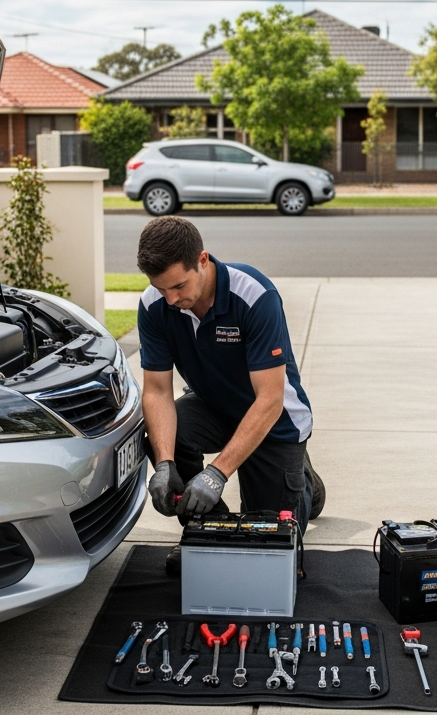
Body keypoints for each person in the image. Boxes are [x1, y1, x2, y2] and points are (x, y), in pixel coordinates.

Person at [135, 216, 325, 574]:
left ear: (202, 260)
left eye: (178, 286)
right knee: (164, 437)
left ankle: (304, 483)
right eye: (162, 290)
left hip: (274, 420)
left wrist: (216, 474)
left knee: (269, 549)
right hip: (213, 405)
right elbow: (157, 391)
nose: (173, 300)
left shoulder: (254, 295)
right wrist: (163, 464)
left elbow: (269, 400)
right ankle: (205, 531)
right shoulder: (154, 306)